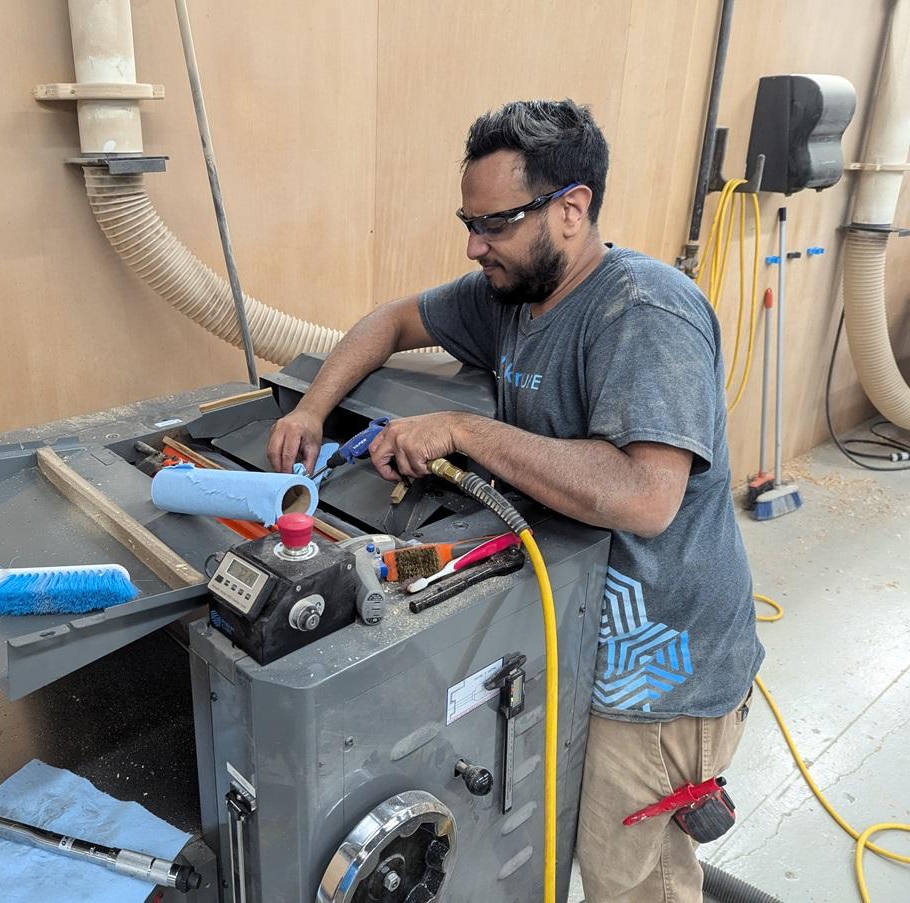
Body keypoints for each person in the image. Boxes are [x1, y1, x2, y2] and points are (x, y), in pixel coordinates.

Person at [266, 99, 763, 902]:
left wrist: (464, 429)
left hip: (657, 678)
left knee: (632, 884)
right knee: (542, 847)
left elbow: (645, 496)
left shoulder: (643, 311)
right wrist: (311, 410)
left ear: (572, 208)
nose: (474, 244)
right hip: (569, 635)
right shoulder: (509, 294)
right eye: (469, 220)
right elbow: (393, 320)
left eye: (494, 223)